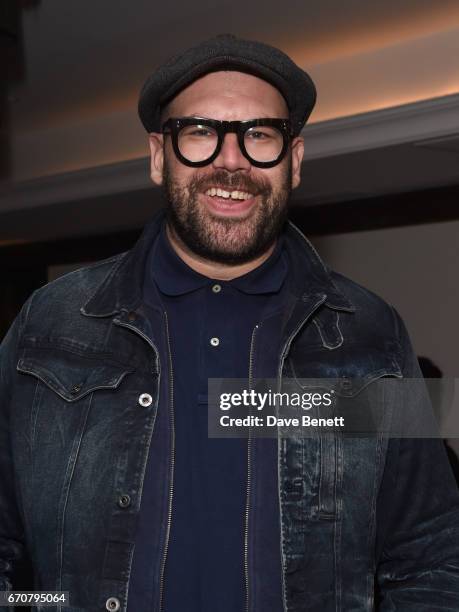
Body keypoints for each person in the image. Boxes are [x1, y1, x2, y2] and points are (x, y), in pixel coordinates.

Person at [1, 33, 458, 612]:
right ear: (156, 156)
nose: (231, 159)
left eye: (259, 135)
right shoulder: (52, 319)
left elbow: (432, 556)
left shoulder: (371, 331)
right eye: (199, 133)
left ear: (293, 162)